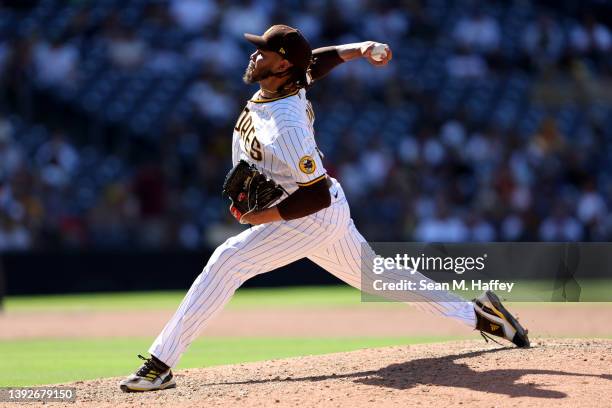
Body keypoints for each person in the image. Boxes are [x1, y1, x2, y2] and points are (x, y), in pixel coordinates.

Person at [119, 25, 529, 392]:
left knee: (227, 261)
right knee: (379, 278)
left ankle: (160, 365)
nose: (254, 54)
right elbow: (317, 61)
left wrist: (259, 217)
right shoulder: (287, 81)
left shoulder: (287, 124)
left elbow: (312, 194)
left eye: (263, 51)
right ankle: (482, 316)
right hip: (321, 211)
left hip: (308, 214)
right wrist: (362, 47)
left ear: (281, 65)